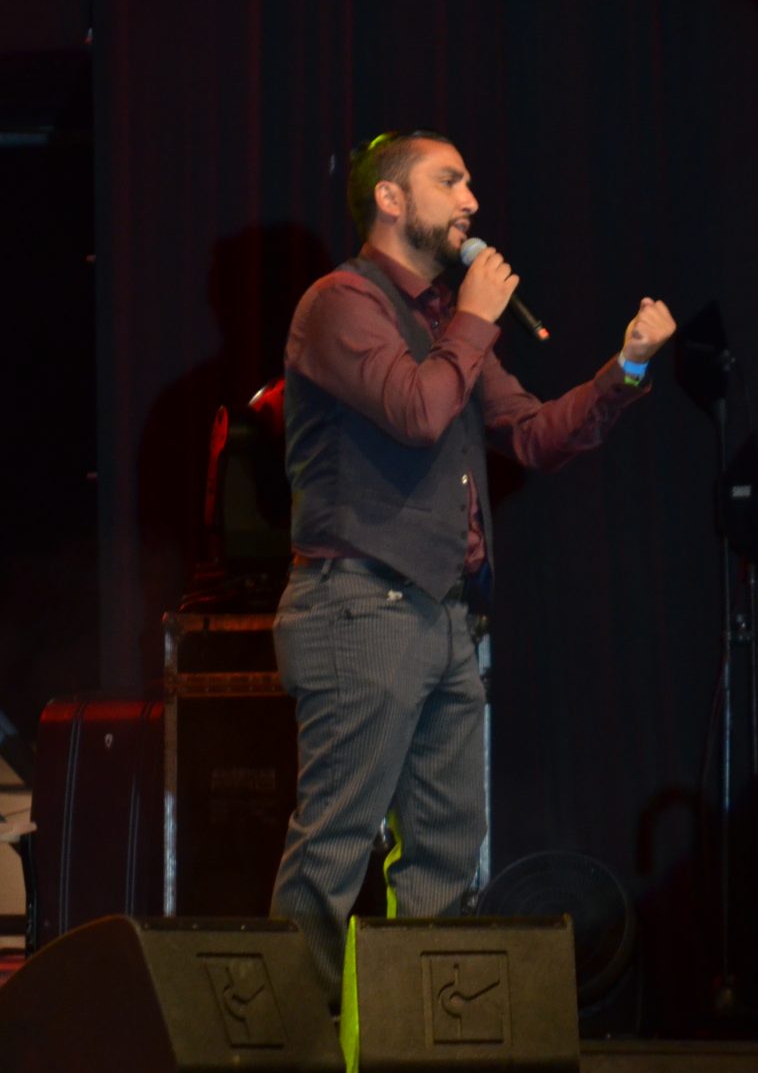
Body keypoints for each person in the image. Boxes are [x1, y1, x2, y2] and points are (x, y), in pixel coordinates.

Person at [269, 128, 676, 1004]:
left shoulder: (441, 323)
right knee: (335, 851)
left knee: (445, 860)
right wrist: (478, 320)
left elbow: (532, 433)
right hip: (359, 607)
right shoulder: (341, 304)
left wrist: (628, 366)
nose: (472, 203)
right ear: (390, 198)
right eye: (449, 181)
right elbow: (418, 412)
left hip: (447, 616)